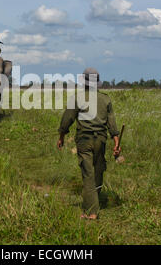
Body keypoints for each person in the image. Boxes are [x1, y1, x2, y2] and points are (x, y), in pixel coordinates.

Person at [57, 68, 121, 220]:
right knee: (98, 169)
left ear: (83, 82)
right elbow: (112, 126)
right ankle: (95, 200)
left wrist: (61, 137)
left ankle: (91, 211)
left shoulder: (77, 98)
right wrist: (116, 144)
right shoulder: (106, 99)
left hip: (85, 140)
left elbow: (67, 121)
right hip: (101, 139)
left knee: (88, 174)